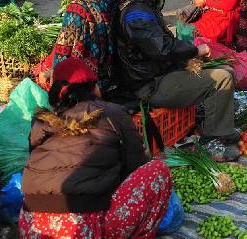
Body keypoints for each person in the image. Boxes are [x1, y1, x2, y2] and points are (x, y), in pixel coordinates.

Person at [20, 57, 172, 238]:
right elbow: (135, 166)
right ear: (94, 87)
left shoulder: (42, 123)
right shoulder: (112, 114)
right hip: (81, 228)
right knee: (157, 170)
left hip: (32, 225)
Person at [115, 0, 240, 161]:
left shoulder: (141, 5)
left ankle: (221, 129)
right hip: (149, 85)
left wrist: (187, 59)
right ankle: (212, 140)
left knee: (225, 71)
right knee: (222, 78)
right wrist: (195, 51)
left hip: (156, 74)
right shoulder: (136, 14)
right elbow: (162, 48)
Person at [37, 0, 121, 93]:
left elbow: (64, 47)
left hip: (84, 77)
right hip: (111, 70)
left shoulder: (77, 8)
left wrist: (55, 75)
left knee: (41, 73)